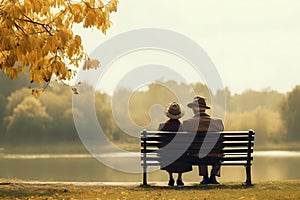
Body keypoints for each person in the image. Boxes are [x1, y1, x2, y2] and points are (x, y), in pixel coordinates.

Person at [182, 96, 224, 184]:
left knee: (200, 151)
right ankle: (213, 176)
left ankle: (205, 177)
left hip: (196, 156)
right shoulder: (217, 122)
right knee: (214, 150)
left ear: (194, 109)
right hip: (215, 157)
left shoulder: (187, 123)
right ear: (204, 109)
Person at [158, 102, 192, 186]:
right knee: (182, 152)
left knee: (166, 152)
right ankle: (179, 178)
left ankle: (171, 178)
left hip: (166, 157)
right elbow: (187, 144)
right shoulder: (183, 127)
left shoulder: (162, 126)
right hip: (181, 157)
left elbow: (159, 144)